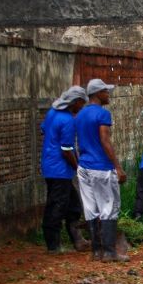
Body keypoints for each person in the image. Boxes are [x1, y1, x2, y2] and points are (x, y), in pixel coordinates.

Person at [76, 78, 129, 262]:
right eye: (106, 91)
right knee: (109, 207)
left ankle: (96, 251)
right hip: (101, 167)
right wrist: (118, 167)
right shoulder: (102, 114)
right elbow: (105, 141)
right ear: (98, 94)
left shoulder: (81, 114)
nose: (108, 94)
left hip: (83, 166)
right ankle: (109, 252)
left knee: (91, 209)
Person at [40, 86, 90, 254]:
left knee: (73, 205)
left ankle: (77, 240)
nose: (81, 108)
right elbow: (66, 150)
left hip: (50, 166)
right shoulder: (68, 120)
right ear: (75, 102)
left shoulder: (52, 113)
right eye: (81, 104)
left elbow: (44, 130)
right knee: (57, 206)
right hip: (59, 169)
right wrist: (78, 167)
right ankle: (53, 245)